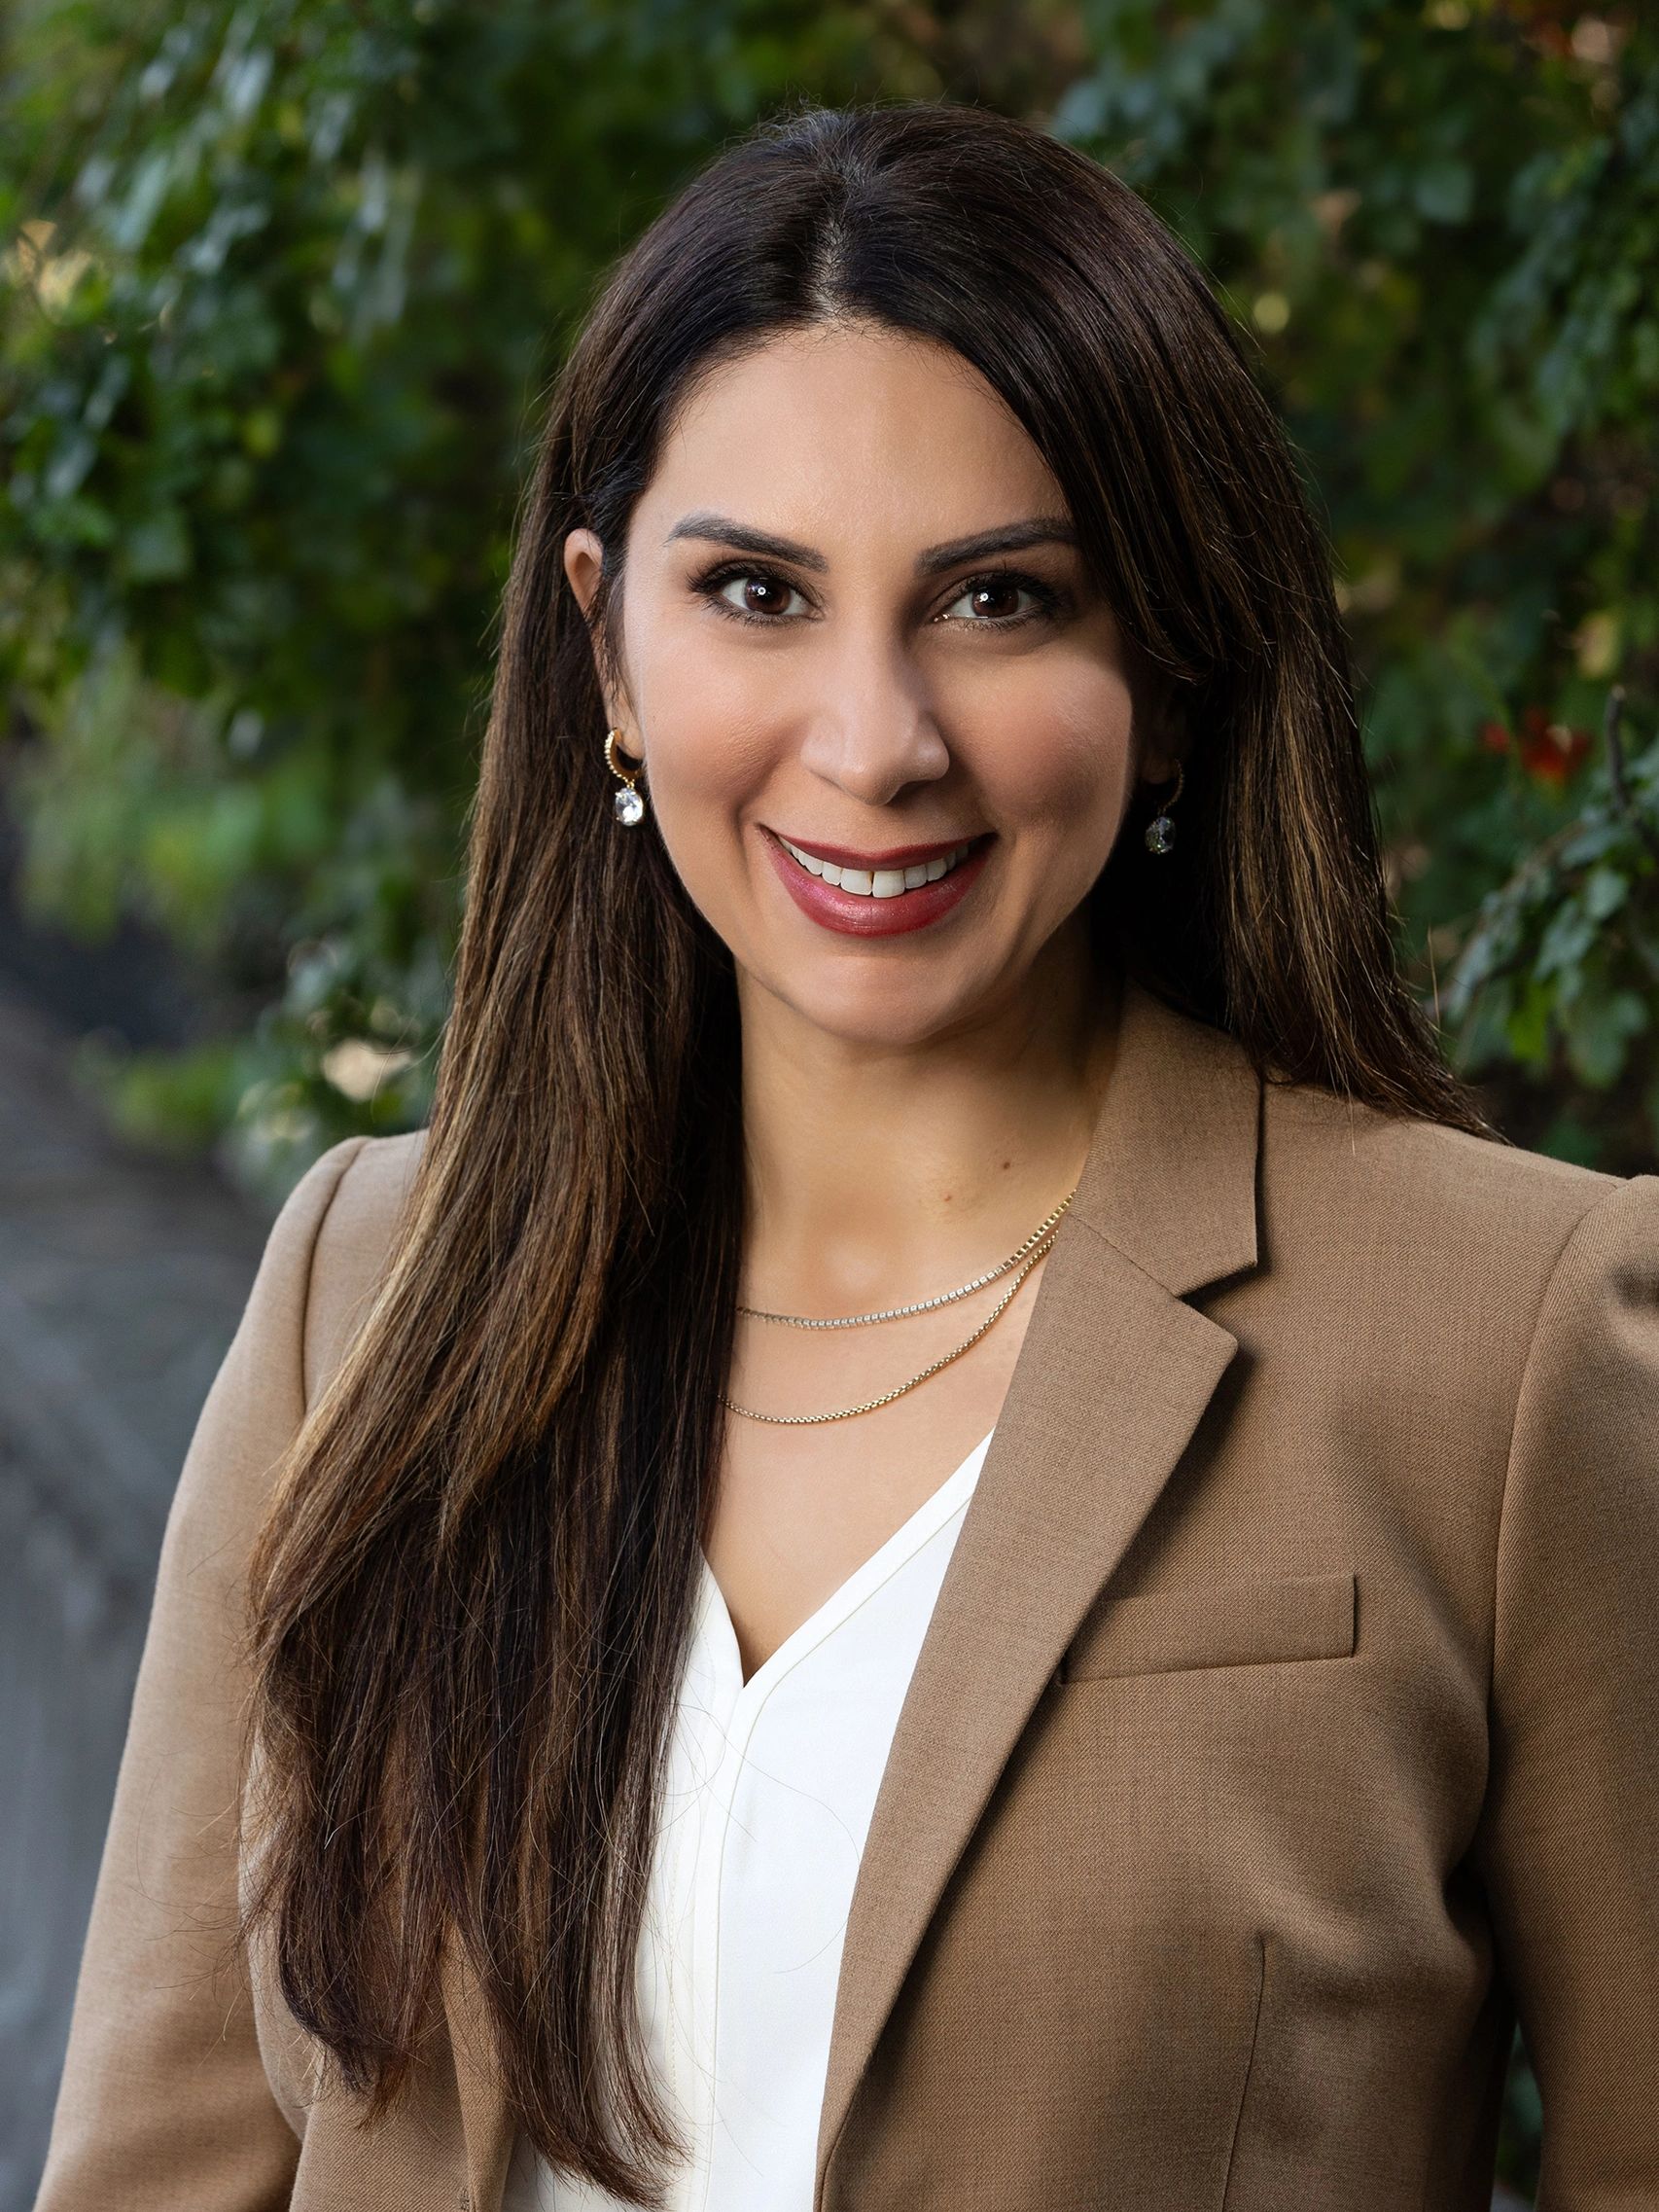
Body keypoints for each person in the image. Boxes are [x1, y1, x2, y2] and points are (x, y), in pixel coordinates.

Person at [34, 97, 1658, 2212]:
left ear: (1161, 672)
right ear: (608, 649)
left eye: (997, 598)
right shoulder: (373, 1283)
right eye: (757, 593)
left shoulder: (1507, 1338)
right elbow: (164, 2174)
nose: (877, 738)